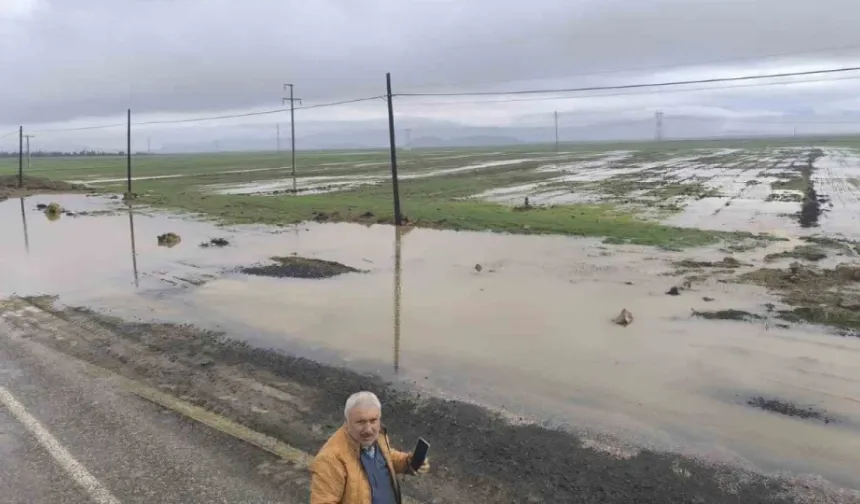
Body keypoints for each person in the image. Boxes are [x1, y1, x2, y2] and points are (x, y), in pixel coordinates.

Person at [310, 391, 430, 504]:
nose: (368, 430)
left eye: (373, 421)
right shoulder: (330, 460)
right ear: (347, 422)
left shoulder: (379, 436)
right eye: (360, 422)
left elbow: (386, 456)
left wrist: (407, 462)